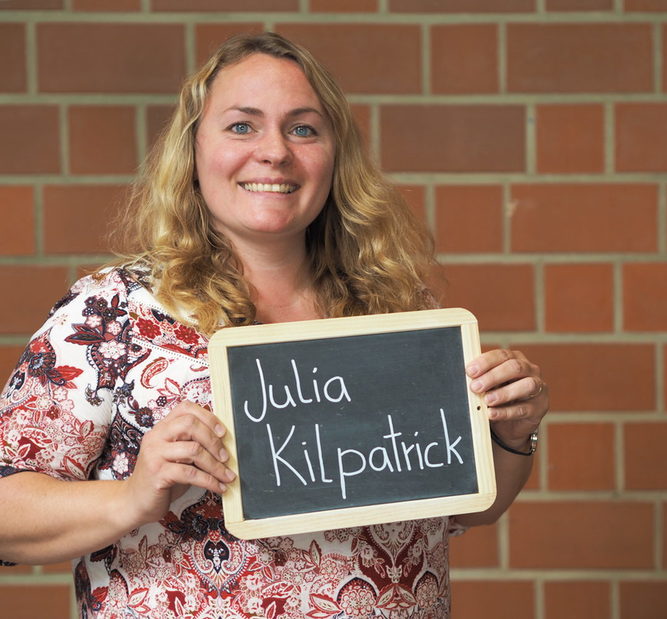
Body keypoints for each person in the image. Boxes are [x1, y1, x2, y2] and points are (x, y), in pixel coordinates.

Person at [0, 32, 548, 618]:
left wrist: (512, 436)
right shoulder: (113, 312)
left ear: (335, 156)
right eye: (242, 126)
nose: (275, 152)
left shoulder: (394, 310)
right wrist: (132, 498)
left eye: (303, 129)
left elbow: (464, 506)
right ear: (193, 150)